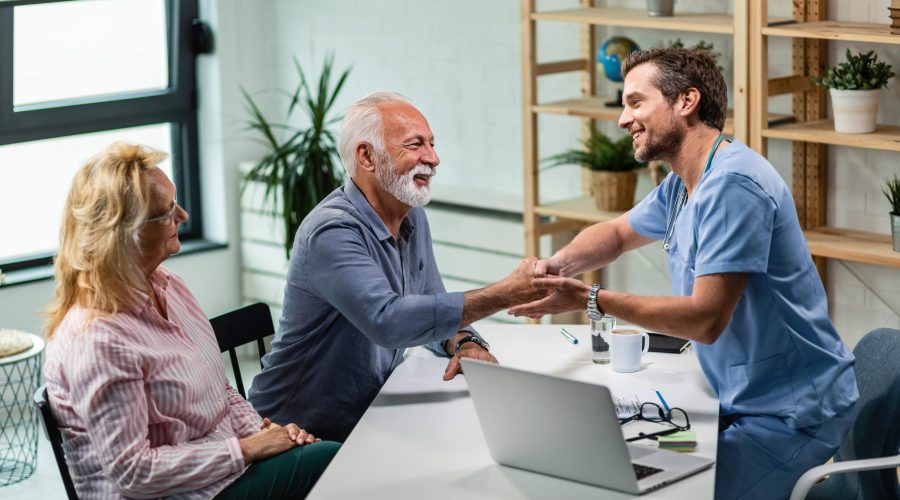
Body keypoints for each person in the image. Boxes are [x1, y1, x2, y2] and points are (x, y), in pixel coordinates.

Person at [509, 48, 858, 499]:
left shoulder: (734, 186)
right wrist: (555, 268)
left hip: (790, 416)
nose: (622, 119)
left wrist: (588, 299)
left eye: (635, 102)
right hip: (733, 402)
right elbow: (617, 234)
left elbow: (705, 319)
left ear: (686, 102)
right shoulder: (684, 182)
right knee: (640, 466)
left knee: (661, 492)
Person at [43, 143, 339, 499]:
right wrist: (248, 449)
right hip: (175, 494)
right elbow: (135, 472)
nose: (182, 216)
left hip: (218, 477)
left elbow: (221, 393)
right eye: (166, 212)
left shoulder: (171, 286)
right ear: (124, 234)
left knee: (324, 458)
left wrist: (270, 436)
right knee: (332, 462)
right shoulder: (99, 339)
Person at [248, 91, 544, 442]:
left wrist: (464, 342)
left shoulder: (410, 214)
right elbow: (390, 321)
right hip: (297, 434)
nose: (433, 158)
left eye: (432, 144)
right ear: (367, 157)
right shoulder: (331, 232)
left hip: (367, 416)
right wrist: (505, 293)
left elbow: (432, 305)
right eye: (415, 145)